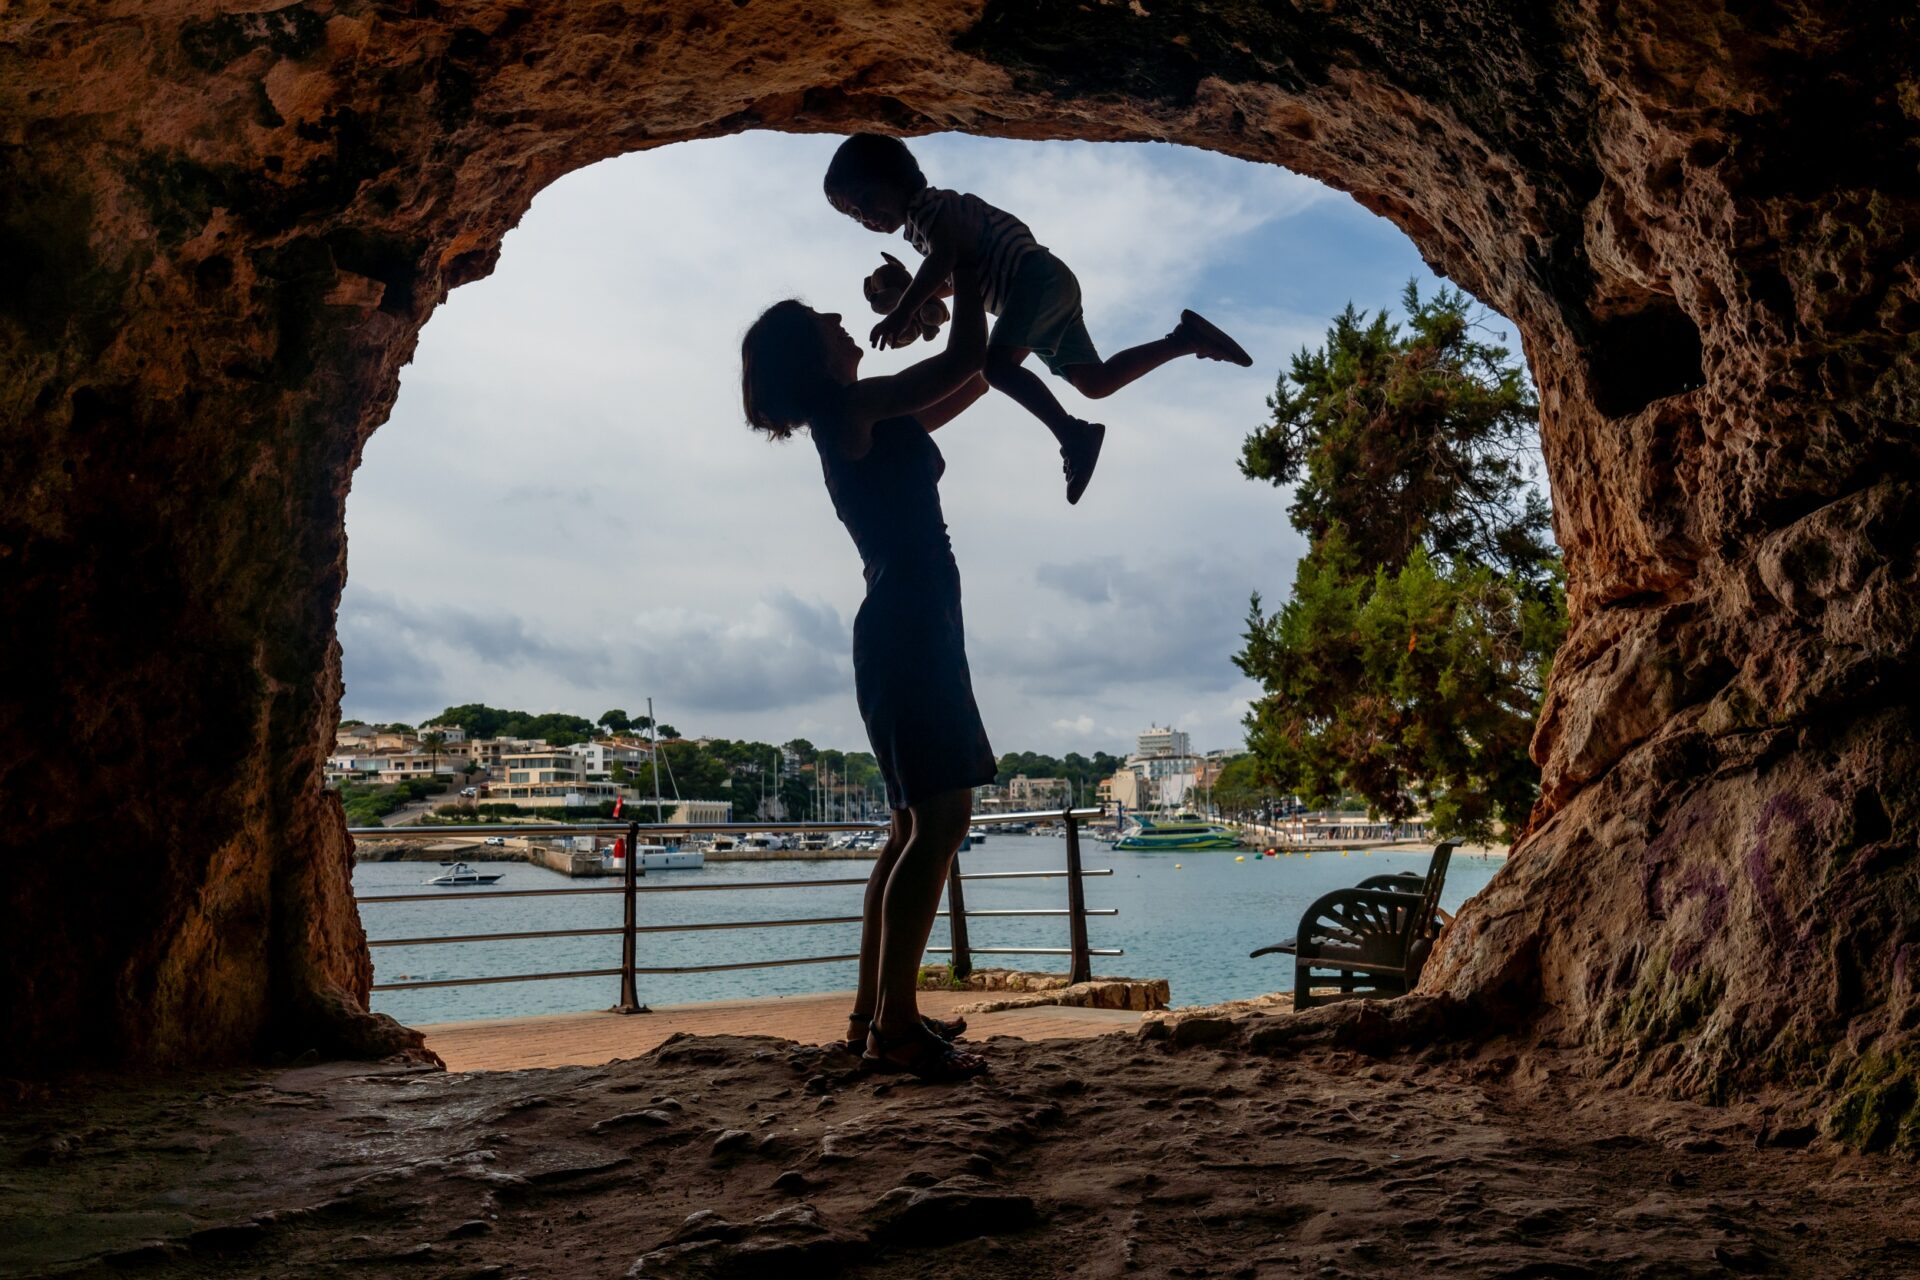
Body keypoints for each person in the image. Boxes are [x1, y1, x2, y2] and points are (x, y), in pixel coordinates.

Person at [740, 261, 997, 1081]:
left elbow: (975, 376)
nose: (842, 322)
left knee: (907, 831)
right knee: (944, 817)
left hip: (907, 626)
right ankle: (896, 1028)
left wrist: (962, 304)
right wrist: (961, 272)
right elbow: (961, 364)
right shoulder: (849, 406)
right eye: (824, 320)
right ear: (808, 355)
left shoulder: (864, 409)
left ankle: (871, 1016)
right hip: (909, 627)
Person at [823, 131, 1254, 505]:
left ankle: (1073, 436)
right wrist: (924, 298)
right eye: (855, 216)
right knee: (1095, 382)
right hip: (1040, 287)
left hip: (1033, 282)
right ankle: (1184, 340)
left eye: (865, 199)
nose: (866, 217)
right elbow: (954, 272)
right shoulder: (922, 227)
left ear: (896, 176)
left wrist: (904, 311)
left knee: (995, 367)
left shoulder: (931, 209)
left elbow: (949, 259)